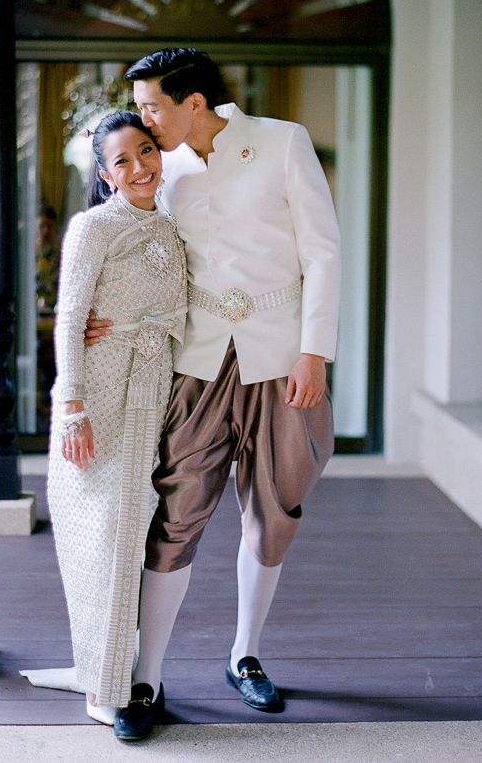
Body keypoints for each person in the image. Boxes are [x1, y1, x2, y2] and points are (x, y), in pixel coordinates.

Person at [86, 49, 341, 741]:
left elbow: (323, 250)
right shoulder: (161, 171)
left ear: (193, 102)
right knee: (176, 509)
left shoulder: (283, 142)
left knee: (276, 503)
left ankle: (244, 654)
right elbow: (127, 236)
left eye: (152, 107)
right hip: (197, 361)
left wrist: (314, 349)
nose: (144, 122)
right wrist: (93, 316)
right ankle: (146, 679)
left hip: (283, 357)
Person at [47, 110, 187, 725]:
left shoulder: (175, 227)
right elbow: (69, 318)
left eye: (146, 151)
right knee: (101, 539)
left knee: (134, 534)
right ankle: (104, 690)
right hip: (98, 395)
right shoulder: (92, 227)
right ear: (105, 176)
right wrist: (71, 405)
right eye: (122, 161)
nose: (139, 167)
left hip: (153, 389)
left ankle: (122, 673)